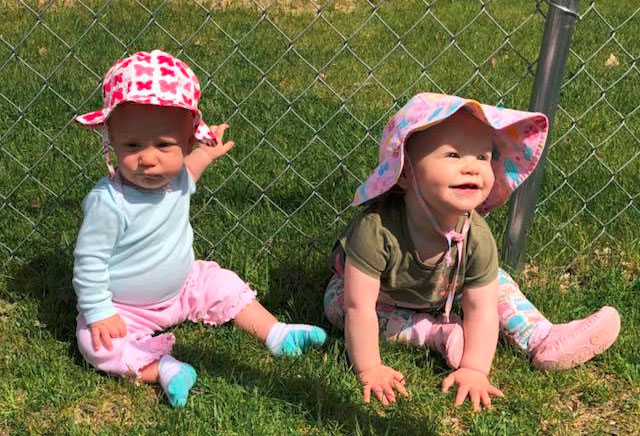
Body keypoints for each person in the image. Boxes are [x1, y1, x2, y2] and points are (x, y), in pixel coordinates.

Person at [323, 93, 620, 411]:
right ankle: (434, 335)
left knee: (499, 284)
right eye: (453, 155)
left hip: (446, 290)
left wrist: (474, 369)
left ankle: (542, 337)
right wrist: (370, 369)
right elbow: (360, 307)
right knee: (338, 304)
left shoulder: (476, 235)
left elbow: (481, 309)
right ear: (405, 172)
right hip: (384, 297)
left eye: (483, 156)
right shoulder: (377, 228)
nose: (472, 168)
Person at [72, 50, 326, 408]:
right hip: (126, 306)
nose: (147, 157)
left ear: (188, 142)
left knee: (223, 282)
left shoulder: (176, 180)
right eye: (132, 145)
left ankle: (276, 332)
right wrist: (99, 311)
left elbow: (192, 168)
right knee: (94, 343)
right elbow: (89, 262)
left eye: (163, 145)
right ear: (110, 140)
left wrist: (209, 152)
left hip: (183, 287)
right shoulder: (109, 202)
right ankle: (162, 368)